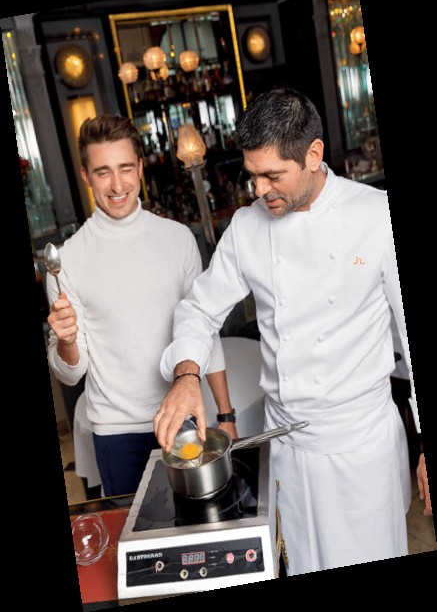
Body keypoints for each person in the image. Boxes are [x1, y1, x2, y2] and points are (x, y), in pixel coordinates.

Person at [154, 88, 431, 576]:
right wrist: (186, 374)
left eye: (272, 175)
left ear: (314, 154)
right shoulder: (246, 227)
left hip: (361, 448)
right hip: (286, 449)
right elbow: (198, 308)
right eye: (252, 175)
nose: (259, 190)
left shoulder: (376, 215)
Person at [46, 114, 236, 498]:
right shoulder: (67, 261)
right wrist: (65, 341)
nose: (117, 186)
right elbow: (71, 373)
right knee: (135, 532)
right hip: (116, 431)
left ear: (140, 167)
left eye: (125, 168)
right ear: (86, 176)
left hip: (182, 415)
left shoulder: (178, 239)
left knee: (196, 524)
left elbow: (204, 331)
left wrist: (225, 413)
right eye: (103, 172)